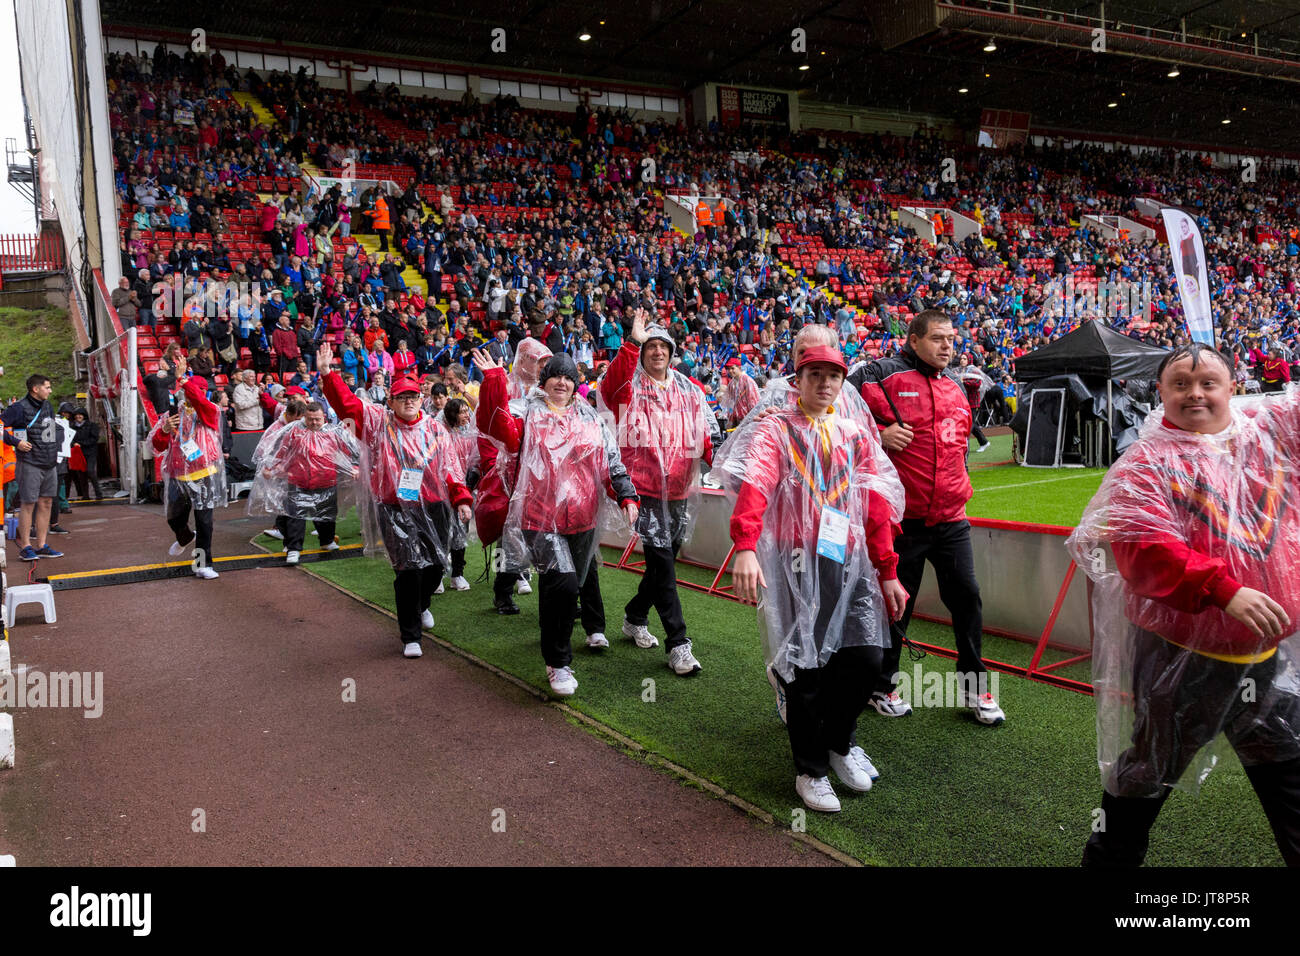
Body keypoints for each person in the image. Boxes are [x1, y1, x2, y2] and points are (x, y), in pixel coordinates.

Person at [1068, 344, 1300, 867]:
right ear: (1161, 393)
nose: (1195, 393)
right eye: (1181, 384)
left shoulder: (1265, 434)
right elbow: (1140, 547)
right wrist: (1224, 590)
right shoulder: (1146, 460)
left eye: (1208, 382)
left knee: (1290, 771)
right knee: (1143, 781)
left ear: (1232, 387)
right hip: (1180, 660)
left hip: (1265, 659)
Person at [716, 344, 908, 812]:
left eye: (834, 376)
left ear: (843, 384)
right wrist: (744, 545)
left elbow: (875, 502)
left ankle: (839, 743)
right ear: (797, 380)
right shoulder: (775, 429)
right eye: (815, 374)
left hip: (848, 558)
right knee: (805, 665)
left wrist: (887, 570)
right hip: (794, 561)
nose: (825, 383)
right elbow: (756, 485)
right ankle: (810, 768)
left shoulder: (854, 433)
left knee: (865, 657)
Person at [851, 309, 1005, 724]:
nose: (947, 346)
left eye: (951, 338)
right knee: (897, 605)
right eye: (938, 338)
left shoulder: (955, 386)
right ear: (913, 339)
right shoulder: (876, 375)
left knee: (968, 598)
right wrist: (876, 436)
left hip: (952, 518)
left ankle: (975, 688)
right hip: (902, 521)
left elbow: (955, 451)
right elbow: (834, 416)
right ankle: (881, 685)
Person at [473, 347, 639, 696]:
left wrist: (625, 495)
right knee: (562, 584)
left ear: (575, 384)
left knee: (564, 590)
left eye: (568, 377)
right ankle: (558, 663)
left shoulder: (591, 418)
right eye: (555, 376)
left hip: (582, 519)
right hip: (539, 518)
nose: (561, 383)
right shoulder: (526, 414)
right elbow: (493, 423)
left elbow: (610, 462)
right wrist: (492, 381)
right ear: (544, 382)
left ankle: (558, 651)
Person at [318, 341, 473, 658]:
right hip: (394, 509)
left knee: (433, 568)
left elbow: (451, 469)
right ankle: (410, 634)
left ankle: (423, 603)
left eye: (413, 397)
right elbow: (347, 406)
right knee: (408, 570)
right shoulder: (377, 423)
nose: (408, 402)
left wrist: (461, 499)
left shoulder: (435, 429)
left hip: (433, 507)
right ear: (391, 400)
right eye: (401, 397)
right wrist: (328, 375)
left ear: (421, 399)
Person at [598, 308, 717, 675]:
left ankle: (635, 615)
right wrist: (631, 341)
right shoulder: (628, 384)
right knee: (663, 562)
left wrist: (714, 459)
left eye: (662, 346)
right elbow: (609, 386)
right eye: (650, 346)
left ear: (671, 351)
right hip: (644, 489)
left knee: (663, 560)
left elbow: (704, 430)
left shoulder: (687, 387)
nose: (657, 352)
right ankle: (678, 643)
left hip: (679, 489)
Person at [251, 400, 358, 565]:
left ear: (324, 417)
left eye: (317, 419)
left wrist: (354, 467)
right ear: (305, 418)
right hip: (298, 481)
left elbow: (348, 452)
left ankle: (327, 541)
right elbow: (281, 452)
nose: (314, 422)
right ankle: (293, 549)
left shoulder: (334, 433)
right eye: (310, 419)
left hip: (326, 481)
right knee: (295, 518)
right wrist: (269, 468)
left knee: (326, 516)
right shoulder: (294, 432)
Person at [149, 373, 226, 579]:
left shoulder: (210, 411)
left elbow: (200, 402)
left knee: (204, 521)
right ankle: (184, 537)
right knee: (174, 518)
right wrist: (164, 430)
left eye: (194, 392)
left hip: (203, 474)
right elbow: (158, 446)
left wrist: (183, 379)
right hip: (177, 475)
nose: (189, 396)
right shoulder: (173, 414)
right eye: (186, 392)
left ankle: (203, 564)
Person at [1, 374, 64, 561]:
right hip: (29, 462)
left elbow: (51, 432)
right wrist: (15, 442)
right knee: (28, 503)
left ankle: (42, 545)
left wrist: (55, 453)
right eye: (47, 387)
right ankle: (26, 546)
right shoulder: (17, 408)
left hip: (49, 462)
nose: (50, 391)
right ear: (35, 389)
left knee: (46, 503)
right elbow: (0, 425)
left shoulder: (48, 406)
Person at [440, 398, 477, 592]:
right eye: (462, 412)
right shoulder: (441, 433)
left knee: (460, 535)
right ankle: (438, 576)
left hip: (464, 492)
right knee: (441, 534)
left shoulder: (469, 434)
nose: (466, 415)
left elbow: (475, 463)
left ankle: (457, 574)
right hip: (443, 492)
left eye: (467, 411)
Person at [68, 407, 103, 500]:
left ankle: (98, 493)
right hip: (78, 453)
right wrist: (73, 444)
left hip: (90, 452)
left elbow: (94, 439)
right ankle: (85, 495)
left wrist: (81, 444)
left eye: (80, 415)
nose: (78, 416)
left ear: (84, 416)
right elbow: (68, 439)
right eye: (76, 415)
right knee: (81, 474)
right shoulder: (71, 427)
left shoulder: (92, 426)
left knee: (91, 471)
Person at [725, 358, 760, 429]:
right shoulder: (732, 383)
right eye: (729, 369)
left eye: (732, 368)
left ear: (739, 367)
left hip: (748, 420)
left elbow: (754, 402)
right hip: (737, 420)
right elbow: (731, 403)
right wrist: (730, 418)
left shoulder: (748, 381)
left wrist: (753, 420)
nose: (730, 371)